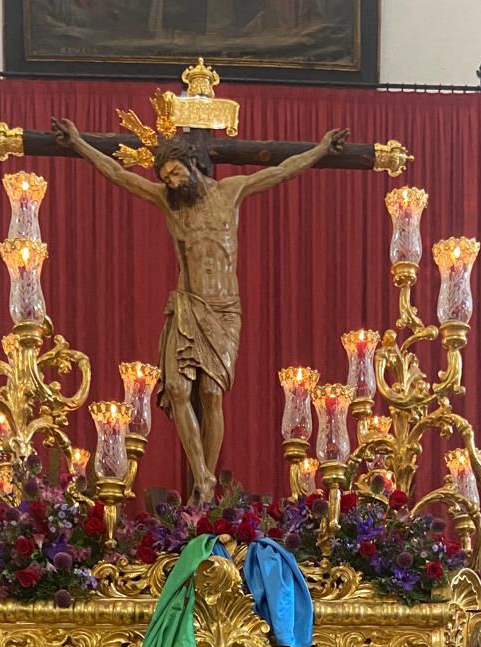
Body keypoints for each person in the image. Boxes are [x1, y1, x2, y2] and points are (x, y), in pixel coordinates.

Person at [51, 116, 346, 501]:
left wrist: (320, 149)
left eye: (175, 172)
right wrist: (78, 142)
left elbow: (282, 171)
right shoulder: (167, 201)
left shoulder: (231, 191)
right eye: (166, 177)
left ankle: (205, 485)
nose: (172, 182)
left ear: (192, 163)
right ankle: (203, 479)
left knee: (210, 392)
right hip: (188, 304)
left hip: (225, 309)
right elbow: (118, 174)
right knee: (176, 388)